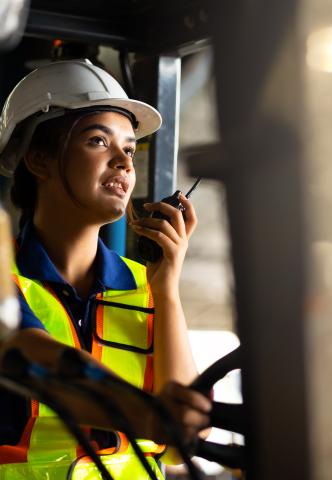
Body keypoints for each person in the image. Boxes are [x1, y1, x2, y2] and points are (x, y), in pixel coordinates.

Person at [0, 59, 210, 479]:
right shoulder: (6, 281)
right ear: (39, 160)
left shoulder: (146, 286)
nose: (124, 163)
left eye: (129, 149)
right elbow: (29, 354)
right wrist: (148, 415)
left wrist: (167, 290)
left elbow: (179, 447)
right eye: (98, 141)